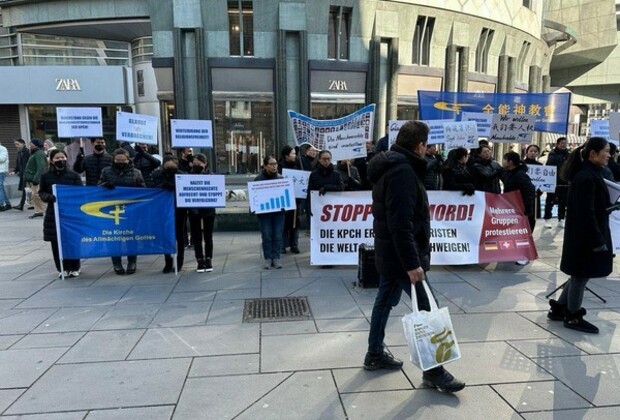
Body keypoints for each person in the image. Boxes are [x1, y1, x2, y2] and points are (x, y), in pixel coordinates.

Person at [364, 120, 465, 393]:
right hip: (402, 257)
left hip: (391, 253)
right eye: (427, 145)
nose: (428, 149)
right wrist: (412, 264)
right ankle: (434, 371)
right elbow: (401, 223)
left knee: (384, 302)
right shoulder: (403, 172)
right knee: (428, 311)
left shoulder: (393, 165)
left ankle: (374, 353)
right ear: (419, 145)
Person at [548, 137, 612, 334]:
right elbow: (586, 212)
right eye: (606, 151)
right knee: (581, 275)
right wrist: (597, 240)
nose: (609, 155)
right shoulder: (586, 177)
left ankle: (559, 308)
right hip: (586, 237)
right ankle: (573, 316)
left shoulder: (590, 173)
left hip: (584, 234)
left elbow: (592, 207)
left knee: (578, 273)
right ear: (593, 154)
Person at [99, 148, 146, 275]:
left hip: (131, 211)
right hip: (111, 210)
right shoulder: (106, 171)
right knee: (114, 237)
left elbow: (142, 190)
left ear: (128, 160)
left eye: (123, 160)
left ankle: (132, 261)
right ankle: (116, 263)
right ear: (113, 160)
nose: (120, 162)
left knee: (131, 236)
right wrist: (104, 185)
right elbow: (98, 189)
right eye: (118, 160)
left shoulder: (136, 172)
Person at [38, 149, 83, 278]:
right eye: (57, 158)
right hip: (54, 213)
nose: (60, 160)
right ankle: (62, 268)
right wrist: (48, 197)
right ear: (52, 160)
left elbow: (79, 192)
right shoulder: (45, 176)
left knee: (72, 241)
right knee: (56, 242)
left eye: (62, 157)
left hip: (70, 213)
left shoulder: (74, 175)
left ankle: (75, 267)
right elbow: (41, 192)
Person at [151, 155, 187, 273]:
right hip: (162, 209)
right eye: (168, 167)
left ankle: (179, 261)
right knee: (165, 235)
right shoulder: (157, 175)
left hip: (179, 210)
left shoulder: (182, 175)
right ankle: (168, 261)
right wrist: (162, 186)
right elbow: (151, 190)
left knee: (180, 236)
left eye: (172, 167)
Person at [254, 156, 285, 269]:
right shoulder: (258, 179)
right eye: (271, 164)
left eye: (275, 164)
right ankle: (268, 258)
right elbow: (255, 196)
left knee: (277, 235)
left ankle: (276, 257)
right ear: (265, 165)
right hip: (264, 214)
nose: (274, 166)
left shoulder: (281, 178)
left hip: (278, 213)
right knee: (266, 235)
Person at [188, 153, 217, 272]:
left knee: (208, 236)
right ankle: (199, 260)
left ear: (205, 164)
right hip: (194, 210)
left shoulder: (211, 176)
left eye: (199, 164)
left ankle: (209, 259)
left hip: (208, 210)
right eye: (194, 164)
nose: (196, 166)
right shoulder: (188, 176)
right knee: (196, 237)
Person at [278, 145, 302, 254]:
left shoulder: (298, 165)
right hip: (283, 199)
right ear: (286, 155)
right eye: (292, 153)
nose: (295, 155)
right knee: (283, 222)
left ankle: (294, 244)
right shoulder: (280, 167)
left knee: (294, 223)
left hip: (295, 199)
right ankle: (283, 245)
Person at [544, 137, 569, 228]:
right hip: (553, 181)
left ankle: (561, 218)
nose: (564, 145)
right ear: (557, 144)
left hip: (564, 182)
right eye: (562, 143)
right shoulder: (552, 153)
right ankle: (547, 218)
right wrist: (562, 158)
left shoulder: (568, 154)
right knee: (550, 200)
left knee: (563, 201)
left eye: (565, 143)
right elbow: (550, 163)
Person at [23, 138, 49, 218]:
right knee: (34, 196)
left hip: (37, 179)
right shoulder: (35, 153)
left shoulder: (39, 153)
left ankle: (45, 210)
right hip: (33, 178)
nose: (29, 144)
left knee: (38, 195)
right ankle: (39, 211)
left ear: (35, 144)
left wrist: (36, 179)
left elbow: (41, 167)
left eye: (31, 143)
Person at [524, 144, 543, 219]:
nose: (533, 153)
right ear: (527, 152)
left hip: (535, 194)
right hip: (523, 194)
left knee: (533, 217)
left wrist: (539, 191)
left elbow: (543, 180)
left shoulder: (540, 165)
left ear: (538, 153)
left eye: (535, 151)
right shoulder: (521, 164)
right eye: (531, 151)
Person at [11, 139, 31, 211]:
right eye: (15, 144)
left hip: (27, 173)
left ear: (23, 143)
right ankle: (22, 204)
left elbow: (28, 163)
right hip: (22, 173)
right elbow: (18, 163)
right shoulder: (19, 152)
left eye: (18, 144)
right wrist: (14, 171)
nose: (16, 146)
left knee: (26, 189)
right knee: (25, 189)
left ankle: (21, 204)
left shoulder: (27, 151)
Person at [0, 141, 11, 211]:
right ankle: (7, 203)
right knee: (1, 187)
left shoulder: (3, 148)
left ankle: (2, 204)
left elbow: (2, 159)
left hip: (1, 171)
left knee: (0, 187)